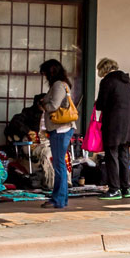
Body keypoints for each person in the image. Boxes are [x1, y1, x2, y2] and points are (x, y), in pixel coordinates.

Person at [94, 58, 130, 200]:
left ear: (103, 69)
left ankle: (114, 189)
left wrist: (97, 103)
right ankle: (126, 188)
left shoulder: (107, 81)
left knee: (111, 155)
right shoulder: (126, 81)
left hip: (114, 122)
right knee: (124, 156)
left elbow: (101, 104)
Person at [39, 58, 77, 208]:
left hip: (61, 128)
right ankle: (60, 198)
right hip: (61, 128)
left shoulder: (58, 85)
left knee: (59, 165)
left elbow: (53, 105)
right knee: (59, 164)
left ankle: (59, 199)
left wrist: (43, 102)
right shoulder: (62, 84)